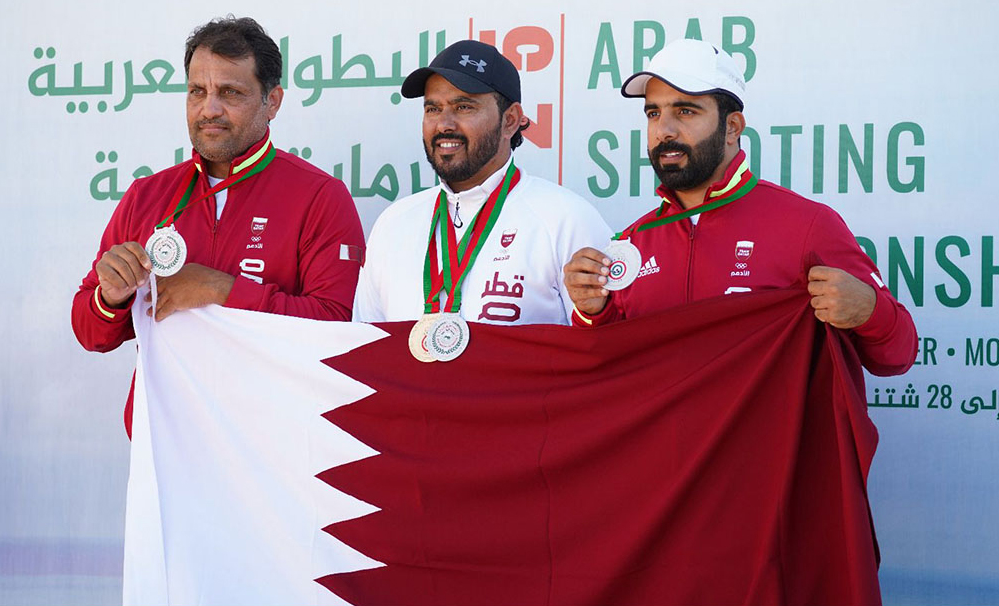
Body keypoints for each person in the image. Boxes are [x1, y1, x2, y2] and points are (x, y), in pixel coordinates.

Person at [71, 17, 364, 436]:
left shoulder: (320, 195)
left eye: (230, 92)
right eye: (197, 91)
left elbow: (337, 327)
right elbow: (90, 332)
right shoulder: (146, 194)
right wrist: (111, 296)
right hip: (164, 447)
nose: (209, 108)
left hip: (276, 446)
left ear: (273, 101)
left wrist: (222, 290)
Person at [563, 39, 916, 375]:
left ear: (732, 127)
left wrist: (869, 311)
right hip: (666, 441)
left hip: (768, 441)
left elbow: (896, 357)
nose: (664, 130)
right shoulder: (634, 241)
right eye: (653, 113)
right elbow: (613, 373)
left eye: (685, 111)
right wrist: (594, 312)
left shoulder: (808, 225)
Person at [353, 40, 611, 325]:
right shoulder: (393, 224)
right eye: (432, 109)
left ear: (510, 120)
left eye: (463, 107)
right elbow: (367, 347)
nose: (443, 125)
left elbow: (599, 345)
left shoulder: (567, 219)